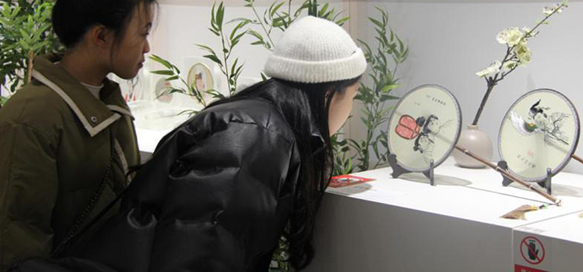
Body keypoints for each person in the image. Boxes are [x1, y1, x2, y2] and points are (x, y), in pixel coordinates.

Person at [66, 16, 367, 272]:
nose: (350, 109)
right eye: (353, 95)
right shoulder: (256, 137)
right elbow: (201, 253)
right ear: (329, 93)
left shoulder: (261, 125)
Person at [0, 0, 156, 271]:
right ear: (101, 36)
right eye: (142, 33)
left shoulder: (108, 101)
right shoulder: (30, 118)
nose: (147, 47)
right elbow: (18, 249)